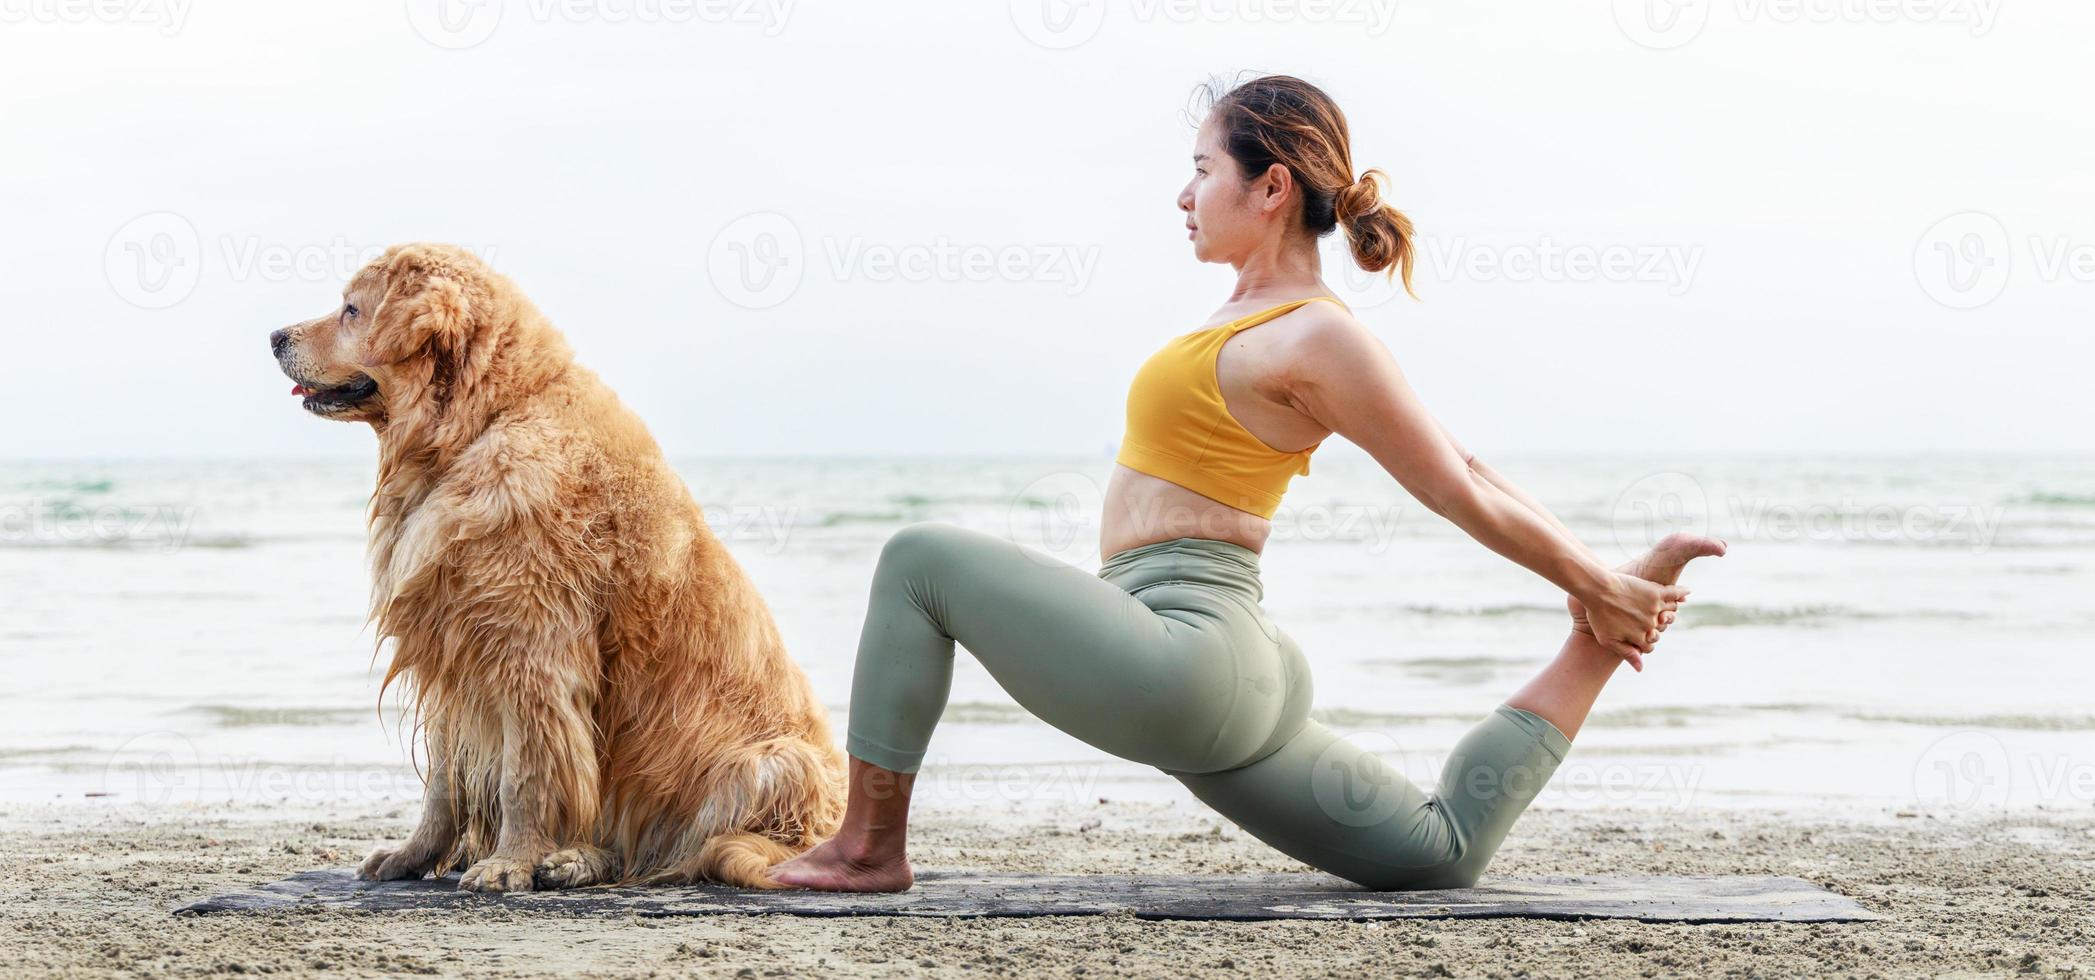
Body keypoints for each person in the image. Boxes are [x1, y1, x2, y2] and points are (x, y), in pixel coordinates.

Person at [769, 74, 1724, 892]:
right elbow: (1466, 463)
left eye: (1200, 169)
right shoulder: (1257, 319)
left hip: (1188, 653)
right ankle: (1589, 651)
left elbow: (1453, 484)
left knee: (918, 561)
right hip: (1213, 667)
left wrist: (1594, 579)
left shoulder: (1317, 331)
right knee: (1439, 854)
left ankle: (866, 848)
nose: (1182, 195)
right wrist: (1596, 600)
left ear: (1269, 186)